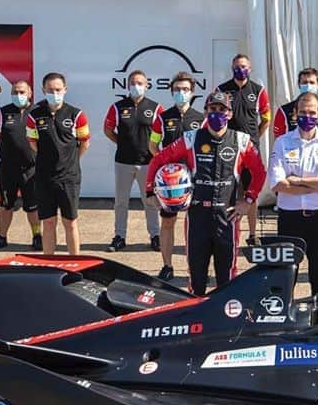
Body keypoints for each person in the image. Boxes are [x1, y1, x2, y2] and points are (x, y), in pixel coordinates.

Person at [145, 90, 266, 296]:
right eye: (212, 110)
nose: (216, 114)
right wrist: (150, 191)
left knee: (227, 278)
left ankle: (224, 319)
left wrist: (248, 200)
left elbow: (259, 172)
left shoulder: (242, 141)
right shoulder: (191, 139)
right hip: (197, 216)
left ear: (229, 114)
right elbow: (158, 160)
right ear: (205, 111)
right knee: (196, 277)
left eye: (221, 110)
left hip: (227, 217)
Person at [267, 92, 318, 293]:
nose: (307, 116)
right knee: (286, 275)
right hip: (289, 218)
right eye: (302, 112)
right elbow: (277, 184)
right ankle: (284, 321)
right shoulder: (282, 142)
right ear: (294, 114)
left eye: (312, 112)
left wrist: (300, 181)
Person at [26, 73, 90, 255]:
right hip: (44, 177)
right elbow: (33, 143)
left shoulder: (77, 114)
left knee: (70, 222)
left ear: (65, 90)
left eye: (57, 89)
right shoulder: (34, 116)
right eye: (50, 90)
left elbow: (84, 142)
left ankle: (76, 265)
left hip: (69, 177)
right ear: (43, 91)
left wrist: (70, 160)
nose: (54, 93)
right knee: (48, 222)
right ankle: (48, 266)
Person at [150, 72, 205, 281]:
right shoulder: (163, 118)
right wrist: (164, 165)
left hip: (194, 180)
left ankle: (195, 266)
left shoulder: (200, 119)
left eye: (185, 90)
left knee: (195, 226)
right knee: (167, 223)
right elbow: (153, 145)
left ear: (192, 93)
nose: (181, 93)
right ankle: (167, 265)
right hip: (170, 182)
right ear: (171, 92)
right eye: (177, 90)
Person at [104, 69, 161, 253]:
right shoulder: (117, 107)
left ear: (147, 85)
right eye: (133, 83)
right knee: (121, 202)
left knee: (150, 202)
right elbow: (108, 130)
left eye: (140, 83)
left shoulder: (156, 108)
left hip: (147, 163)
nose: (136, 86)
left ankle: (155, 236)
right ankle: (119, 236)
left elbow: (160, 134)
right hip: (123, 162)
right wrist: (121, 143)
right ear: (128, 85)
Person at [217, 54, 270, 245]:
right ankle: (230, 232)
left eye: (244, 66)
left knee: (250, 193)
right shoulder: (222, 90)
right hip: (227, 149)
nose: (241, 69)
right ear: (232, 68)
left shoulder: (258, 90)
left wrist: (254, 138)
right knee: (229, 193)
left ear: (250, 68)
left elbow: (266, 119)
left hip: (249, 150)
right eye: (237, 66)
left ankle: (253, 234)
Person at [0, 79, 41, 251]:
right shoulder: (3, 113)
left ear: (30, 93)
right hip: (8, 168)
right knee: (5, 205)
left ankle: (37, 236)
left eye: (22, 92)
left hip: (31, 169)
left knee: (32, 207)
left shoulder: (39, 112)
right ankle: (2, 237)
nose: (18, 95)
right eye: (15, 92)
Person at [273, 67, 318, 139]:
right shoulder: (284, 111)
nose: (308, 85)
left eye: (312, 82)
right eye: (305, 82)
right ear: (299, 85)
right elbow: (279, 139)